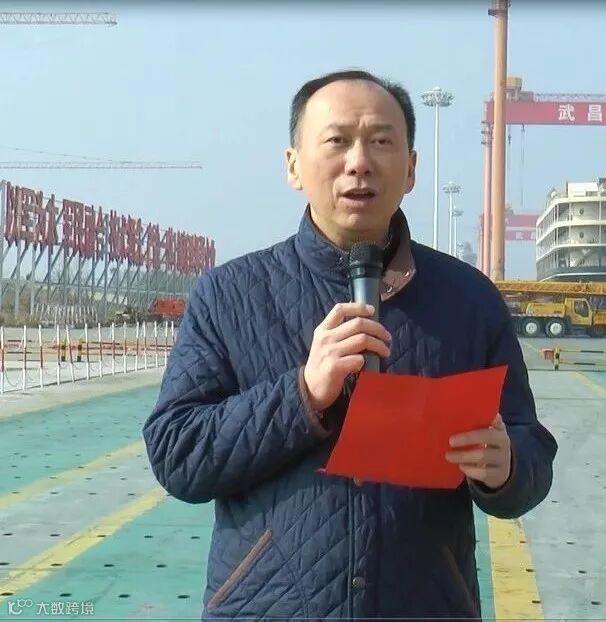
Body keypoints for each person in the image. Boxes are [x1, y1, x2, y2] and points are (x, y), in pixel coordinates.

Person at [143, 69, 558, 621]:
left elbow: (531, 452)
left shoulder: (469, 300)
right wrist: (302, 394)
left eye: (382, 141)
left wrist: (506, 468)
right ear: (294, 165)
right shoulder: (229, 294)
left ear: (411, 168)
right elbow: (178, 454)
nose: (359, 162)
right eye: (337, 140)